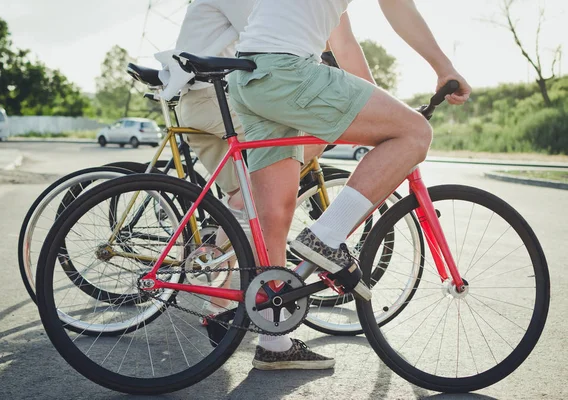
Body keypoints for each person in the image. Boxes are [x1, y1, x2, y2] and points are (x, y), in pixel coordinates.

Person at [229, 0, 471, 370]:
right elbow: (397, 8)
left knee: (275, 215)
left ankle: (273, 339)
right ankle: (325, 237)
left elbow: (343, 44)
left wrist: (386, 109)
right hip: (287, 70)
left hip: (250, 75)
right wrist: (444, 67)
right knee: (416, 133)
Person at [155, 0, 338, 370]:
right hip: (212, 99)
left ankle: (221, 303)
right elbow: (271, 38)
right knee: (297, 145)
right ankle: (264, 328)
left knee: (245, 198)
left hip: (206, 98)